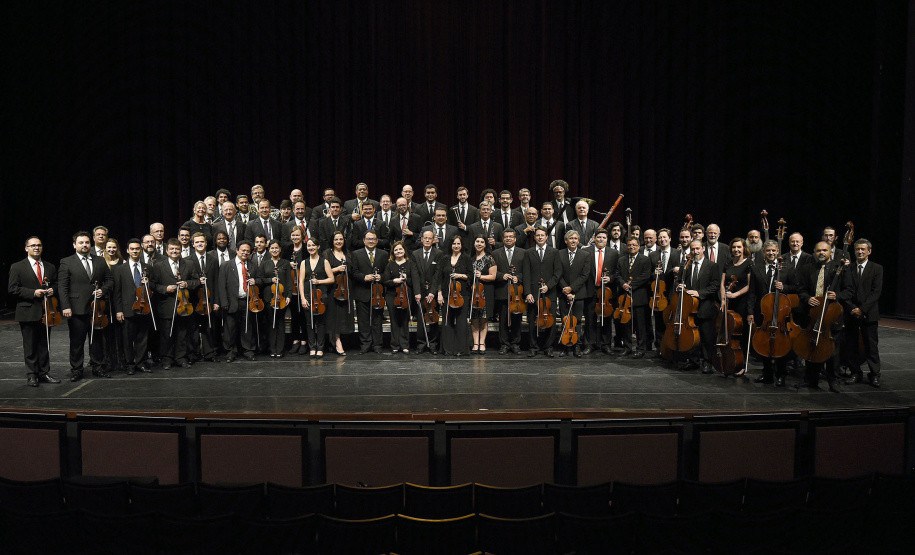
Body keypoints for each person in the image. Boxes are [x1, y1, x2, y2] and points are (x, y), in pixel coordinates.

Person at [59, 231, 114, 381]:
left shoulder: (100, 260)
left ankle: (98, 367)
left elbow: (110, 280)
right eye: (81, 242)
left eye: (87, 242)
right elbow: (62, 286)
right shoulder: (66, 262)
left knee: (97, 340)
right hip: (76, 308)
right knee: (77, 341)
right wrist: (65, 306)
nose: (84, 245)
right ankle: (77, 370)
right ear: (74, 245)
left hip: (97, 308)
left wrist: (103, 290)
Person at [8, 236, 60, 386]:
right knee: (30, 345)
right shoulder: (17, 266)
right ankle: (32, 374)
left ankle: (44, 373)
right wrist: (32, 293)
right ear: (26, 248)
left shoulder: (50, 266)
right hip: (27, 310)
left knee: (44, 344)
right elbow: (12, 288)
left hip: (46, 311)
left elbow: (56, 283)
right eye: (33, 246)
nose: (36, 248)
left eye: (39, 245)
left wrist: (53, 289)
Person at [795, 241, 845, 391]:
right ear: (814, 252)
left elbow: (849, 290)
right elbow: (801, 289)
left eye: (824, 250)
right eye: (818, 251)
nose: (821, 253)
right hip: (813, 313)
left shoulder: (839, 268)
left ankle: (833, 380)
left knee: (832, 350)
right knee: (811, 345)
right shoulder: (807, 268)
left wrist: (837, 295)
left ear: (830, 252)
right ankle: (811, 380)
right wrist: (807, 298)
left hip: (831, 314)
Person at [747, 240, 798, 385]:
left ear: (777, 252)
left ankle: (781, 374)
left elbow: (796, 287)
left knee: (781, 343)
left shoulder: (787, 269)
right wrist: (750, 312)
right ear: (764, 252)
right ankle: (767, 374)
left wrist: (784, 287)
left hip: (780, 312)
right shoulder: (756, 268)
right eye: (768, 250)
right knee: (763, 342)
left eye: (773, 251)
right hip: (763, 312)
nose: (771, 253)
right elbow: (752, 293)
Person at [841, 238, 882, 388]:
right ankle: (855, 373)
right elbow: (845, 291)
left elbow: (876, 293)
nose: (860, 251)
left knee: (871, 347)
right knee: (851, 346)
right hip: (851, 313)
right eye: (857, 249)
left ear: (869, 251)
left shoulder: (877, 268)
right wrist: (852, 308)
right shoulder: (848, 268)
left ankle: (874, 375)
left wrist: (862, 309)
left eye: (863, 249)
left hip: (869, 314)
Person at [153, 238, 199, 370]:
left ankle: (181, 358)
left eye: (177, 249)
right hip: (166, 305)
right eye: (172, 249)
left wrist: (187, 284)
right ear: (167, 251)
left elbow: (196, 281)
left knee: (182, 334)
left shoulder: (189, 264)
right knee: (166, 334)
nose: (174, 251)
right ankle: (167, 359)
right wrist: (165, 289)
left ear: (181, 250)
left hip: (184, 305)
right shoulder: (158, 266)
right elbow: (153, 284)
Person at [112, 238, 154, 375]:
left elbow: (153, 287)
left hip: (144, 308)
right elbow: (117, 292)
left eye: (137, 249)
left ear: (141, 250)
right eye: (132, 249)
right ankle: (129, 364)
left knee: (142, 338)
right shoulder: (120, 269)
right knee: (127, 339)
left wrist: (148, 283)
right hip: (127, 309)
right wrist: (118, 310)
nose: (135, 251)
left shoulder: (148, 267)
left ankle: (141, 363)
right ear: (127, 250)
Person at [679, 239, 722, 373]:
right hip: (689, 307)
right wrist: (679, 286)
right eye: (692, 249)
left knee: (707, 337)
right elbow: (679, 281)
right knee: (692, 336)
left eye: (697, 248)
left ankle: (708, 362)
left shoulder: (712, 266)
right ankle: (693, 361)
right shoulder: (685, 265)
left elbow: (715, 286)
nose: (695, 251)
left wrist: (699, 293)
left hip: (705, 307)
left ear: (703, 248)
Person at [522, 226, 562, 357]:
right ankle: (533, 347)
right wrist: (527, 292)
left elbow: (558, 273)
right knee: (532, 321)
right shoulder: (528, 252)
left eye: (542, 235)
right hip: (533, 292)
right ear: (534, 237)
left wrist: (548, 286)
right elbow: (526, 274)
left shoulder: (555, 252)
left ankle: (548, 347)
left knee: (550, 321)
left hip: (550, 292)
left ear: (546, 237)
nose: (540, 237)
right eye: (537, 235)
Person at [217, 240, 259, 362]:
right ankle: (230, 351)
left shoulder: (253, 265)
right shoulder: (226, 265)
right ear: (237, 250)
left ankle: (248, 350)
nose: (245, 253)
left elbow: (258, 280)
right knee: (230, 328)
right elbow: (221, 285)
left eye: (248, 251)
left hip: (247, 301)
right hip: (231, 302)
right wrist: (224, 302)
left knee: (247, 327)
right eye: (243, 250)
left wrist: (255, 282)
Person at [719, 238, 752, 375]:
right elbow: (722, 284)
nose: (736, 250)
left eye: (739, 247)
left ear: (744, 248)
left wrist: (735, 294)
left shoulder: (749, 263)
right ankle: (728, 361)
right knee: (727, 331)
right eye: (734, 247)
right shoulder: (728, 263)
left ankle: (741, 364)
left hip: (742, 302)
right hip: (729, 302)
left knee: (740, 334)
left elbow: (749, 285)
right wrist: (723, 299)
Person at [558, 230, 593, 357]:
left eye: (575, 238)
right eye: (570, 238)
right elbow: (558, 273)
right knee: (565, 321)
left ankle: (576, 345)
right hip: (563, 293)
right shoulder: (559, 254)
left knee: (577, 321)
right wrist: (565, 289)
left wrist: (572, 289)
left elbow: (585, 275)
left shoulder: (585, 255)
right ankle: (565, 346)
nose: (573, 240)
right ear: (565, 241)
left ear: (578, 241)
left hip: (579, 293)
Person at [351, 229, 387, 353]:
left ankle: (377, 345)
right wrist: (364, 277)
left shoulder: (384, 254)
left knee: (377, 320)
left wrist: (381, 277)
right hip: (362, 292)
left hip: (378, 293)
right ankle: (365, 345)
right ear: (363, 240)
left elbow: (387, 272)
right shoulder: (356, 254)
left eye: (373, 239)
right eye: (368, 239)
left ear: (377, 241)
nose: (371, 241)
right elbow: (353, 272)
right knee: (363, 321)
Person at [187, 232, 220, 363]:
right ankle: (193, 354)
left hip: (209, 299)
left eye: (202, 241)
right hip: (194, 299)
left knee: (209, 327)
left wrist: (216, 301)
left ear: (206, 243)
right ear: (193, 244)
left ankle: (210, 353)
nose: (200, 244)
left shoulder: (214, 260)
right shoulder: (188, 260)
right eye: (197, 242)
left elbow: (217, 282)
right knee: (193, 328)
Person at [615, 236, 650, 358]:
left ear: (639, 246)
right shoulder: (621, 260)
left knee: (640, 325)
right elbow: (617, 275)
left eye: (634, 245)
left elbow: (645, 276)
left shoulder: (645, 260)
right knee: (626, 324)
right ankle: (627, 347)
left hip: (639, 296)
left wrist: (631, 285)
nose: (631, 247)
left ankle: (641, 348)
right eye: (629, 245)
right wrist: (622, 284)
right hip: (624, 297)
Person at [299, 237, 335, 358]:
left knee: (320, 323)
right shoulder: (304, 263)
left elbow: (331, 279)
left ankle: (320, 347)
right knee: (309, 323)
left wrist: (319, 281)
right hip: (307, 295)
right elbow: (301, 282)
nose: (311, 248)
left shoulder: (324, 261)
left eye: (313, 245)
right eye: (309, 245)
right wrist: (303, 298)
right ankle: (312, 347)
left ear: (318, 247)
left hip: (321, 296)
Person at [492, 228, 526, 354]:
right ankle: (504, 344)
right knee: (503, 320)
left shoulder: (523, 252)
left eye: (511, 236)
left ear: (515, 239)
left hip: (517, 292)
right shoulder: (495, 253)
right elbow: (492, 271)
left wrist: (519, 278)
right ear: (502, 239)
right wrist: (501, 275)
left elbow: (527, 271)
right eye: (506, 237)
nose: (508, 239)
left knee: (517, 319)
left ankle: (516, 343)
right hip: (502, 290)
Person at [586, 229, 619, 355]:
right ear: (594, 238)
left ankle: (606, 344)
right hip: (591, 289)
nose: (601, 239)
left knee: (607, 318)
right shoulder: (586, 252)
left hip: (607, 291)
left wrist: (611, 278)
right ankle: (590, 344)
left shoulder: (614, 253)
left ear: (607, 239)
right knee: (590, 318)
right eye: (599, 237)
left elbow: (617, 272)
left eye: (604, 238)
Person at [257, 239, 291, 358]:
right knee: (271, 323)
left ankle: (280, 349)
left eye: (276, 248)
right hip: (268, 298)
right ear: (269, 249)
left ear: (280, 249)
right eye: (272, 248)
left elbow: (289, 281)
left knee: (280, 323)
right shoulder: (265, 263)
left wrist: (289, 296)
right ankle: (272, 349)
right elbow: (260, 279)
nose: (274, 250)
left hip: (282, 298)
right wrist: (270, 280)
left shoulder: (285, 263)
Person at [411, 230, 444, 355]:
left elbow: (437, 274)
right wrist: (417, 292)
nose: (427, 240)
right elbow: (414, 274)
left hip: (432, 291)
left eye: (430, 238)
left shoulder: (438, 253)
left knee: (433, 317)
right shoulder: (415, 254)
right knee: (421, 318)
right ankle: (421, 344)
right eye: (425, 238)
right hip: (420, 291)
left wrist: (433, 292)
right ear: (422, 239)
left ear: (433, 240)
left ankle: (433, 344)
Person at [439, 235, 472, 356]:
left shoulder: (466, 258)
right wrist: (439, 293)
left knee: (461, 322)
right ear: (451, 245)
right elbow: (439, 277)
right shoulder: (445, 258)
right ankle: (447, 349)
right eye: (454, 243)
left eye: (458, 244)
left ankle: (460, 349)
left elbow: (471, 275)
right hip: (447, 294)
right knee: (447, 322)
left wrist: (460, 276)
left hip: (462, 295)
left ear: (462, 245)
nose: (456, 246)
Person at [325, 231, 355, 355]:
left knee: (343, 315)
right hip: (333, 288)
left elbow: (352, 270)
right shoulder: (327, 253)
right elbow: (323, 270)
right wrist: (337, 269)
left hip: (346, 288)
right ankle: (337, 341)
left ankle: (334, 338)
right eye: (336, 239)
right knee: (334, 316)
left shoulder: (348, 253)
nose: (338, 241)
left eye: (341, 239)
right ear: (332, 241)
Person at [383, 241, 415, 354]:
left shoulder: (410, 264)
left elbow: (414, 281)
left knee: (405, 320)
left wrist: (407, 279)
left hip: (406, 295)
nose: (398, 251)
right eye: (396, 250)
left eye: (400, 249)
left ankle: (404, 345)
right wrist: (394, 281)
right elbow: (385, 281)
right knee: (394, 320)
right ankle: (395, 345)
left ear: (404, 251)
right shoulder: (390, 265)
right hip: (392, 296)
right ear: (393, 252)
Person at [469, 235, 497, 354]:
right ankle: (475, 343)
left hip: (486, 291)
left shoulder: (489, 258)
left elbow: (493, 276)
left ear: (485, 245)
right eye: (477, 241)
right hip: (473, 291)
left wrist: (481, 276)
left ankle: (482, 343)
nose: (479, 244)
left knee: (484, 319)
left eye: (482, 242)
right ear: (474, 243)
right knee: (474, 318)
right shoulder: (470, 258)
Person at [285, 227, 307, 354]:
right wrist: (288, 264)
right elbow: (282, 263)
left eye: (297, 235)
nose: (295, 237)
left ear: (302, 236)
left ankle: (304, 341)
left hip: (304, 285)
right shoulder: (288, 249)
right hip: (291, 286)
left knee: (304, 315)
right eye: (293, 235)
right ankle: (295, 340)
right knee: (294, 315)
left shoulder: (306, 248)